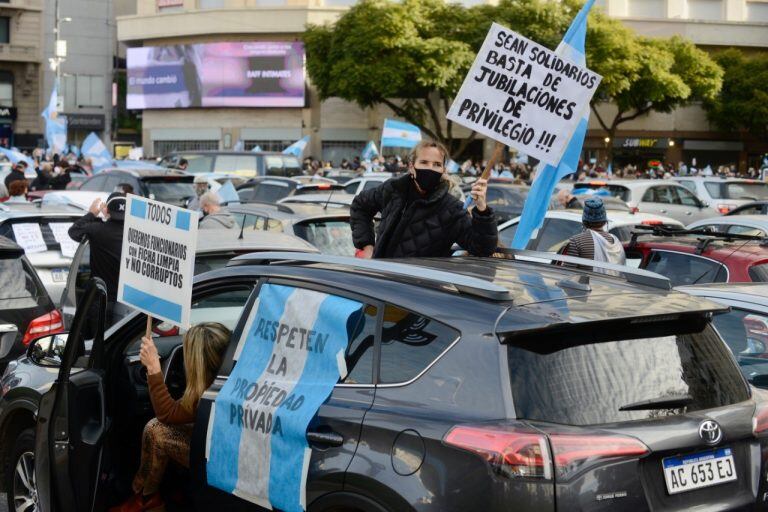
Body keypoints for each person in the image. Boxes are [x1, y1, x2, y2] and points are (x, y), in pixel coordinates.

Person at [110, 323, 231, 512]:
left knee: (159, 433)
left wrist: (153, 368)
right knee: (154, 427)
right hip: (215, 444)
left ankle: (147, 499)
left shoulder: (213, 393)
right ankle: (146, 495)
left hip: (221, 460)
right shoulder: (224, 379)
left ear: (198, 362)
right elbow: (170, 415)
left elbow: (167, 414)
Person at [350, 140, 498, 258]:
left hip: (418, 290)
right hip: (376, 282)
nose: (430, 169)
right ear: (411, 166)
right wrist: (367, 246)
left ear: (443, 170)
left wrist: (482, 210)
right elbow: (360, 206)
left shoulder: (452, 209)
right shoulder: (393, 190)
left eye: (437, 164)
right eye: (424, 163)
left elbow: (482, 249)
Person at [68, 192, 132, 325]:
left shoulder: (97, 230)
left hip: (101, 299)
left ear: (107, 210)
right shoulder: (135, 234)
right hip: (129, 301)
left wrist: (92, 214)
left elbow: (74, 231)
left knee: (100, 343)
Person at [561, 197, 626, 271]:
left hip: (585, 282)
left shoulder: (577, 241)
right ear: (605, 221)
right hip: (610, 282)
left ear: (584, 220)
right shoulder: (614, 241)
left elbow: (567, 272)